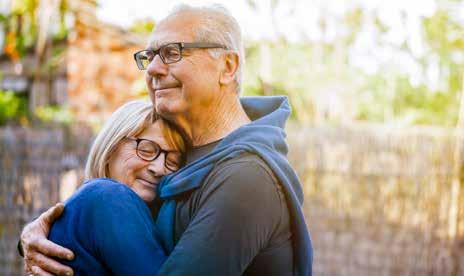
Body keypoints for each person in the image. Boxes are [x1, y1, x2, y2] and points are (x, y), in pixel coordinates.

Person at [20, 4, 313, 276]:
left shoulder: (247, 177)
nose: (153, 69)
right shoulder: (188, 161)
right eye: (149, 57)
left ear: (227, 67)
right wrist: (48, 231)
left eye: (172, 53)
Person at [43, 100, 185, 275]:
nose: (159, 168)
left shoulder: (91, 202)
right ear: (110, 148)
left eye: (173, 161)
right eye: (147, 150)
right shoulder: (109, 196)